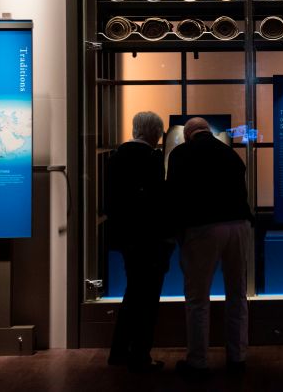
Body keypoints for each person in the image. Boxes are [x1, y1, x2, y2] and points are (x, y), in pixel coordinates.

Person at [167, 117, 252, 377]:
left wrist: (176, 233)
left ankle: (198, 360)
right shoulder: (229, 153)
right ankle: (237, 358)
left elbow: (174, 195)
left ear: (188, 134)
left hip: (202, 228)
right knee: (237, 293)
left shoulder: (181, 154)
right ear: (208, 132)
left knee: (197, 298)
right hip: (238, 225)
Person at [105, 111, 173, 372]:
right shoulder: (152, 159)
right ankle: (139, 355)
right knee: (146, 300)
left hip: (125, 237)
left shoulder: (115, 158)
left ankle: (119, 351)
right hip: (150, 240)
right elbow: (158, 202)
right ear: (155, 133)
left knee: (132, 294)